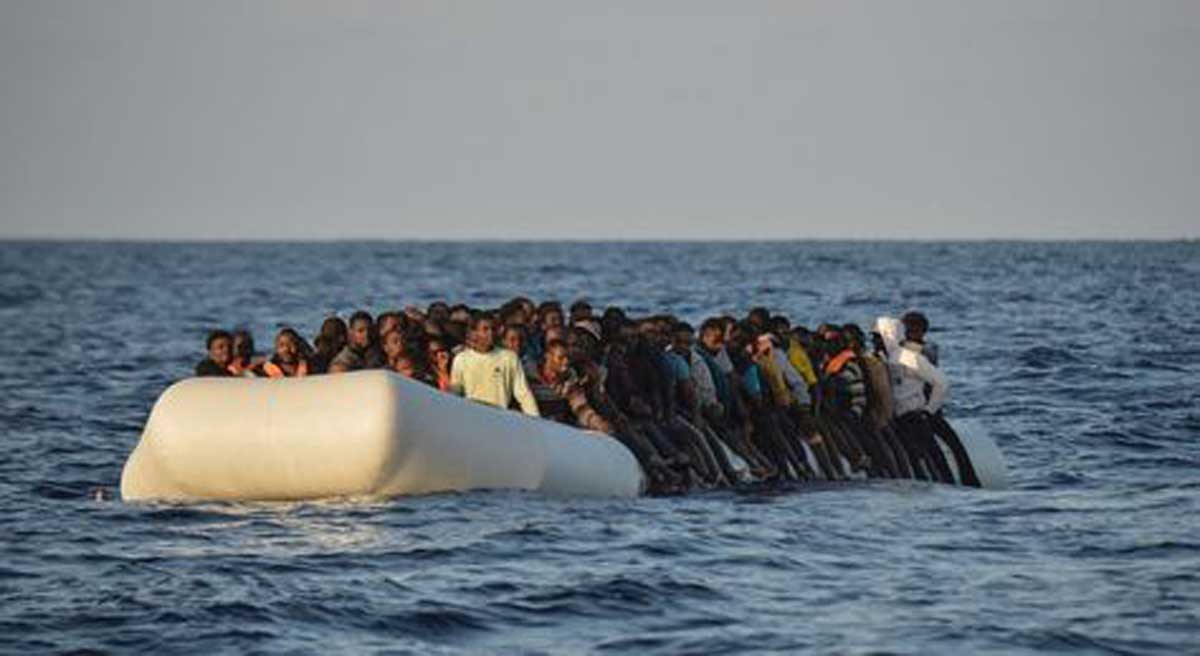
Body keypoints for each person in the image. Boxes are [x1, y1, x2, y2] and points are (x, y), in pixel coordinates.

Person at [449, 314, 539, 416]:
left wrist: (536, 420)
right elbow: (455, 393)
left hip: (500, 417)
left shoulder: (509, 357)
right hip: (472, 417)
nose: (490, 333)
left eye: (493, 329)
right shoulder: (461, 359)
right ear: (474, 333)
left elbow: (523, 394)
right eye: (485, 329)